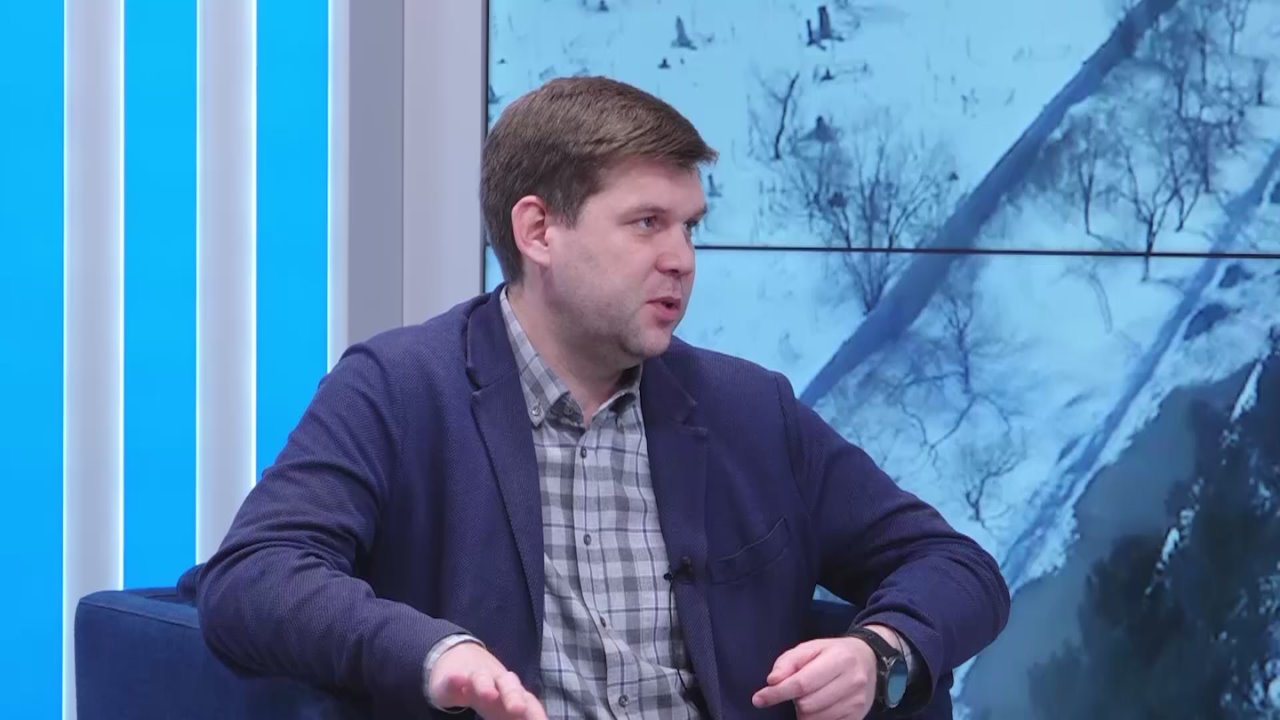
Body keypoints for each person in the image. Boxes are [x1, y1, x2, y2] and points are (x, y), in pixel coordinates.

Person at [180, 75, 1010, 719]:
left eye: (690, 226)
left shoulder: (748, 409)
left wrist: (879, 652)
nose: (682, 258)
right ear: (538, 231)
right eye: (647, 223)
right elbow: (254, 576)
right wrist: (435, 653)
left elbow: (956, 565)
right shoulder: (400, 389)